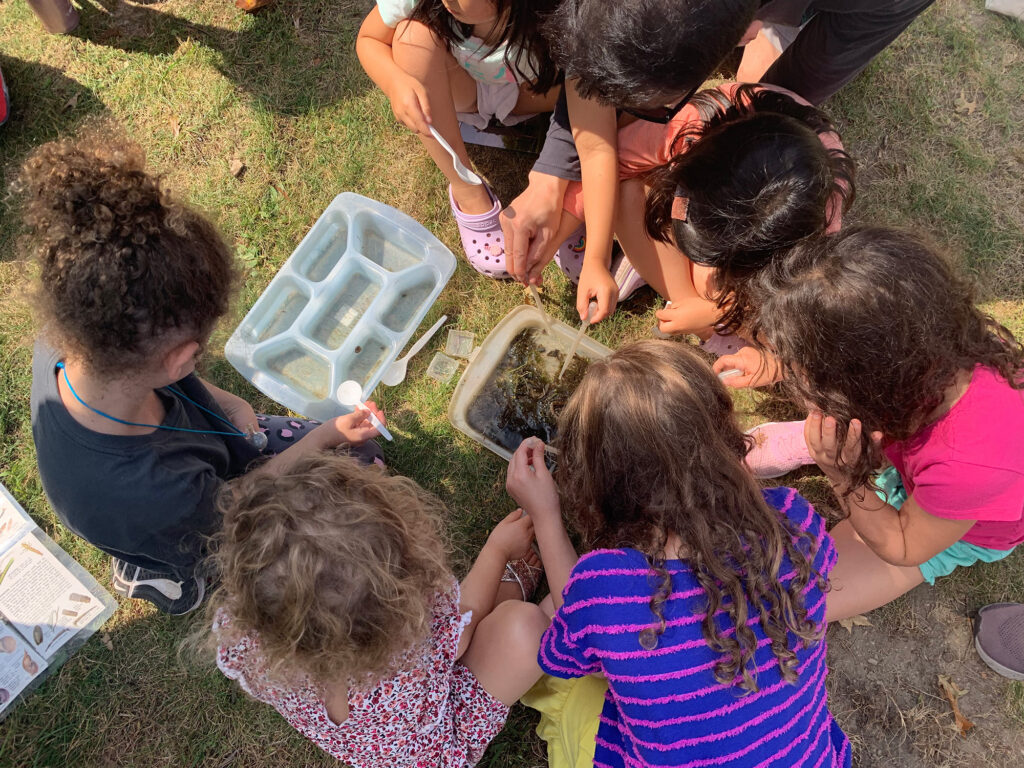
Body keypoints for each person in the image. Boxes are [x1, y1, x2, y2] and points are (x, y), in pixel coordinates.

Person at [21, 136, 385, 615]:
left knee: (359, 458)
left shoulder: (77, 342)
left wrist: (229, 405)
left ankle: (148, 552)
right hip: (186, 517)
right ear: (178, 358)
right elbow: (238, 504)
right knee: (351, 478)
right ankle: (165, 573)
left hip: (171, 489)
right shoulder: (156, 490)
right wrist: (323, 438)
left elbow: (171, 376)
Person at [505, 341, 849, 767]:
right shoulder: (793, 517)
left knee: (568, 687)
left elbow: (584, 662)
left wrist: (546, 515)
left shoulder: (605, 589)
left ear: (602, 482)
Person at [501, 0, 933, 292]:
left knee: (795, 74)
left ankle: (778, 38)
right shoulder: (689, 124)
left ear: (742, 32)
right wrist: (554, 179)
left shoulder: (809, 214)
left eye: (651, 107)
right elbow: (606, 137)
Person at [730, 228, 1024, 620]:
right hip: (908, 446)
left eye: (803, 366)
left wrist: (842, 473)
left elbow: (904, 546)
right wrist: (777, 363)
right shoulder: (929, 337)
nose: (794, 377)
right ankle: (828, 442)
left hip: (946, 528)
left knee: (794, 600)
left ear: (867, 377)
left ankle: (833, 447)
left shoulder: (970, 463)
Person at [208, 452, 549, 767]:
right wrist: (496, 550)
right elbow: (459, 629)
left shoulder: (253, 636)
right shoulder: (403, 665)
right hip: (432, 742)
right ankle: (530, 597)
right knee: (523, 630)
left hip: (374, 741)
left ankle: (510, 594)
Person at [518, 82, 853, 351]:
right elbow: (608, 166)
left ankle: (702, 313)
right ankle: (687, 299)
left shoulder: (815, 225)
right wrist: (562, 240)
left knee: (716, 290)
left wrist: (719, 311)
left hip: (759, 270)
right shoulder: (691, 123)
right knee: (626, 196)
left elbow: (797, 302)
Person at [356, 0, 561, 277]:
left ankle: (562, 187)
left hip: (537, 92)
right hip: (468, 89)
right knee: (410, 38)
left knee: (593, 92)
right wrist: (395, 82)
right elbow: (369, 39)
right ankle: (466, 190)